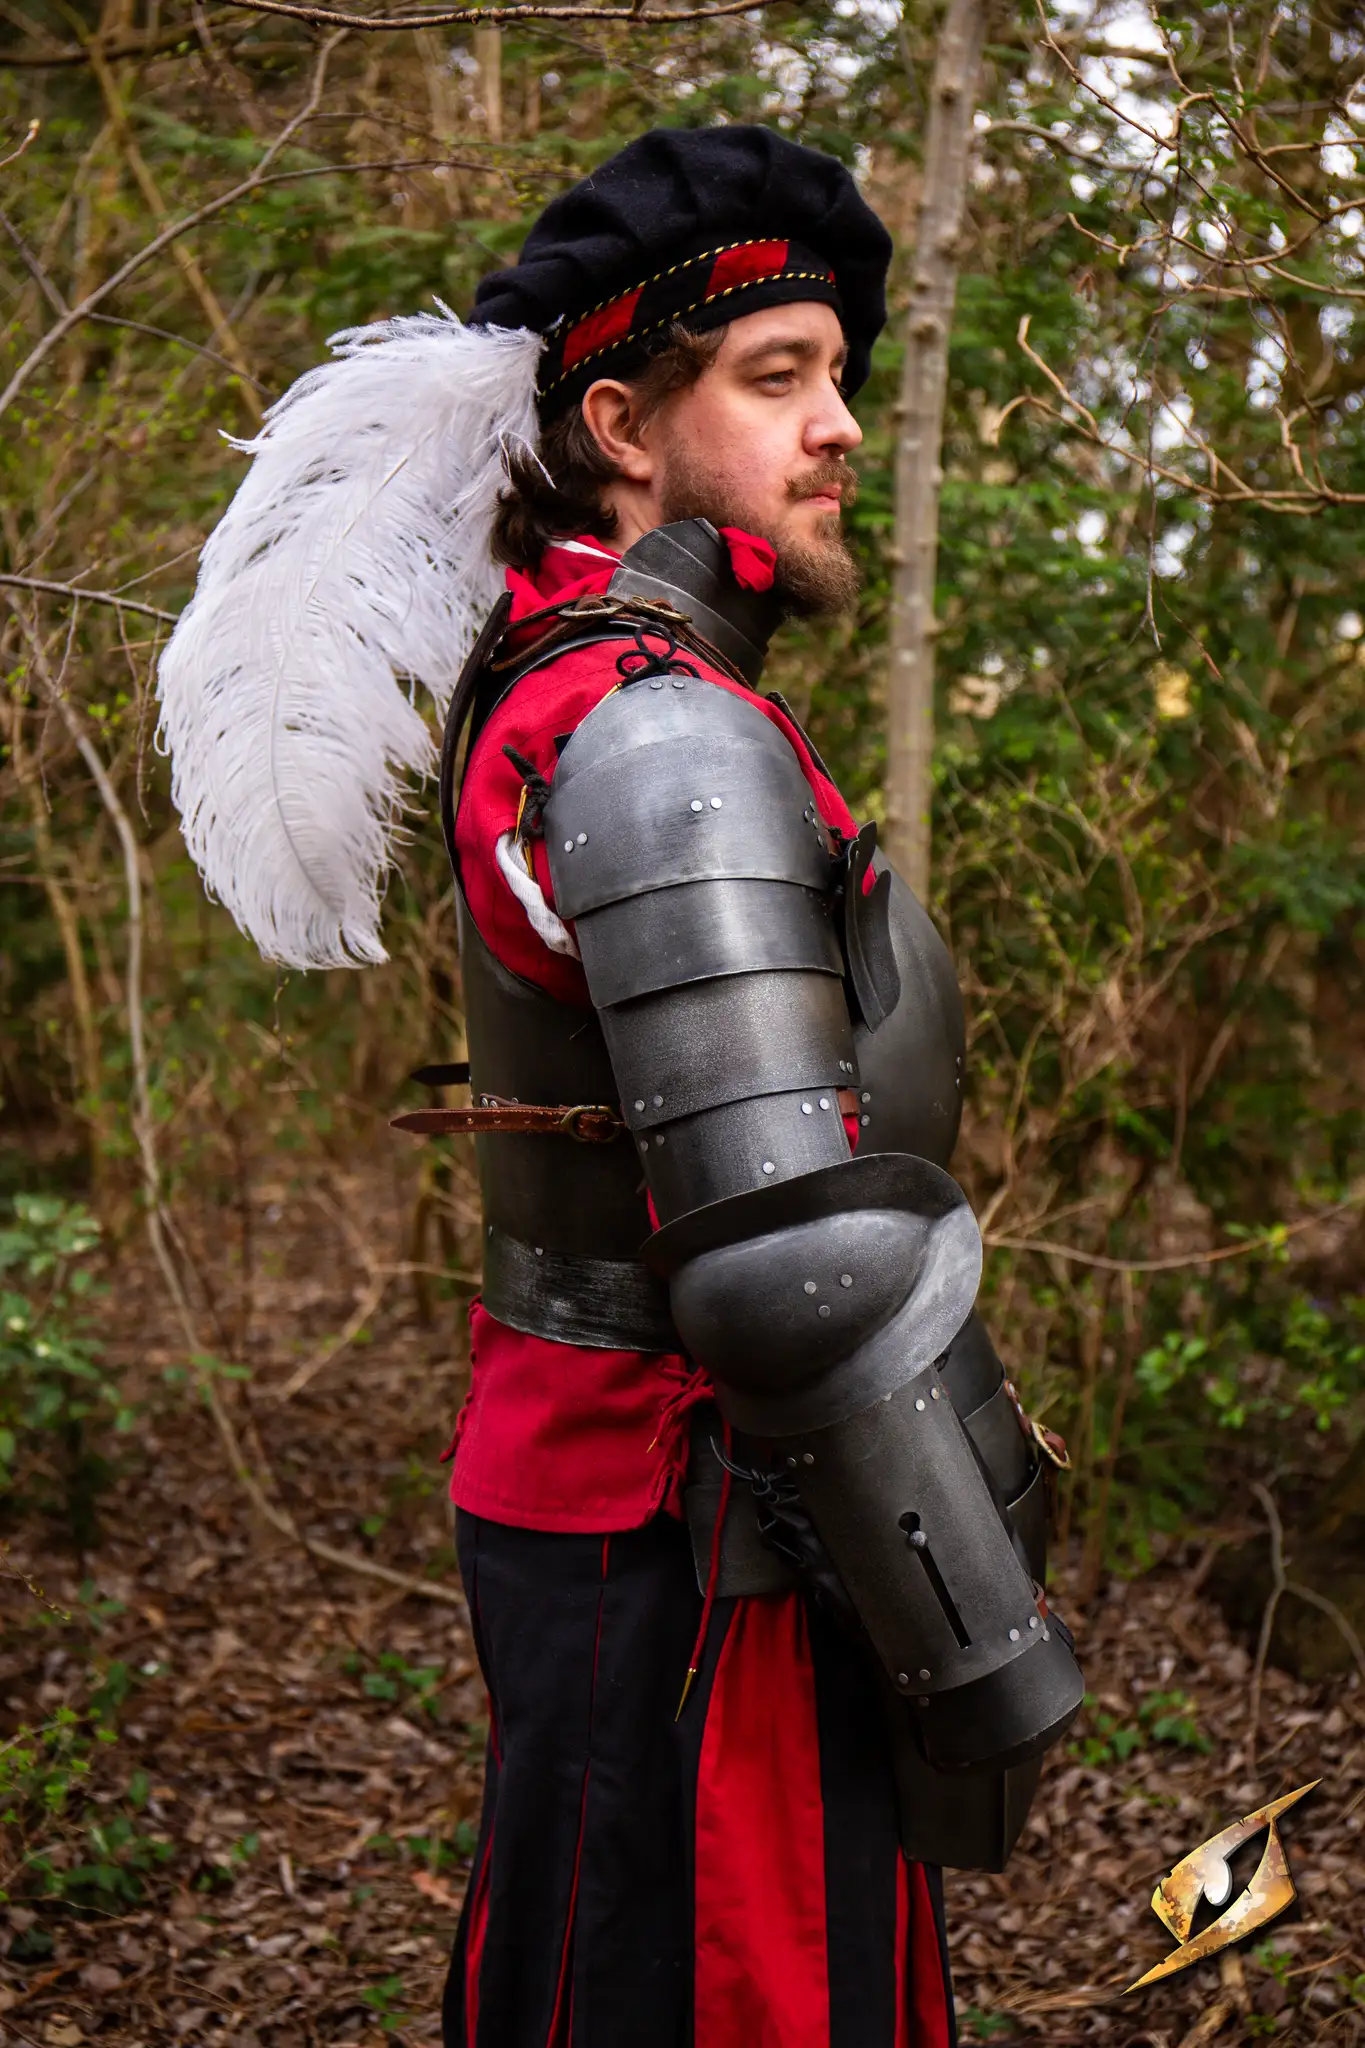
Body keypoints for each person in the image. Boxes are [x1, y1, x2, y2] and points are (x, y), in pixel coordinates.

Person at [157, 124, 1081, 2048]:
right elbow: (789, 1273)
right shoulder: (657, 727)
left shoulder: (611, 687)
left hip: (666, 1510)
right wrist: (981, 1630)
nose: (839, 426)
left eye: (839, 374)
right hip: (701, 1525)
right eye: (779, 378)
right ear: (621, 421)